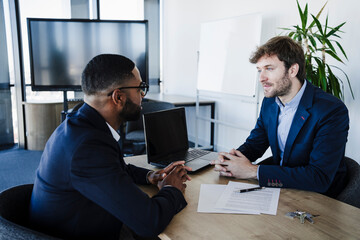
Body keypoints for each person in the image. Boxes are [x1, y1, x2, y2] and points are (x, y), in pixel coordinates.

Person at [29, 54, 192, 240]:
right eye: (140, 88)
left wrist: (150, 176)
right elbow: (150, 222)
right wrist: (172, 188)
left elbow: (115, 168)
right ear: (118, 97)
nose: (142, 95)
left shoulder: (83, 123)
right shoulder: (88, 147)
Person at [211, 36, 349, 198]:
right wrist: (230, 161)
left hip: (318, 197)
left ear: (292, 70)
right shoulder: (270, 102)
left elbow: (319, 177)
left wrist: (252, 171)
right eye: (259, 70)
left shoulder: (331, 110)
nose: (261, 78)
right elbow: (255, 144)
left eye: (269, 68)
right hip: (282, 188)